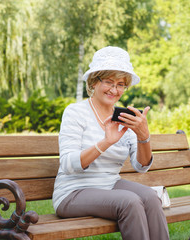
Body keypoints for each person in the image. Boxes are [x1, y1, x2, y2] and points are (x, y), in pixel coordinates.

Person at [52, 46, 169, 240]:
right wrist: (105, 143)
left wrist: (143, 136)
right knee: (129, 201)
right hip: (72, 192)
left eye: (121, 84)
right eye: (109, 82)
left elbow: (141, 166)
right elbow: (68, 164)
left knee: (150, 197)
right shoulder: (75, 112)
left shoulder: (124, 117)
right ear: (94, 81)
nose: (115, 90)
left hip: (110, 185)